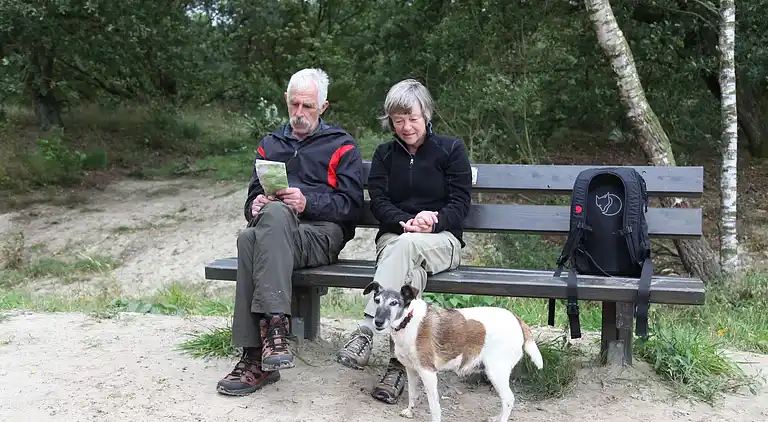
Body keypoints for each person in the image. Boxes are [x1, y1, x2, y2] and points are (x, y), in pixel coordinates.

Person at [216, 68, 366, 396]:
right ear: (286, 100)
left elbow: (351, 207)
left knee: (253, 238)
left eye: (307, 107)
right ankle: (273, 337)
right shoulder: (270, 144)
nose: (299, 113)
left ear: (323, 107)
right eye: (294, 104)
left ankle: (255, 357)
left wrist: (306, 202)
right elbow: (250, 205)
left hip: (320, 235)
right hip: (275, 235)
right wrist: (254, 206)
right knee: (252, 233)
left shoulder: (342, 146)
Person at [335, 79, 473, 404]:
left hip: (442, 241)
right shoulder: (385, 155)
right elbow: (379, 202)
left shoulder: (451, 150)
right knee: (410, 275)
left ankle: (368, 329)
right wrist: (403, 222)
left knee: (407, 246)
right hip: (394, 238)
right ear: (390, 121)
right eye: (398, 120)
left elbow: (460, 204)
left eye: (412, 118)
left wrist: (432, 219)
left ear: (426, 113)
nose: (406, 127)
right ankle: (399, 366)